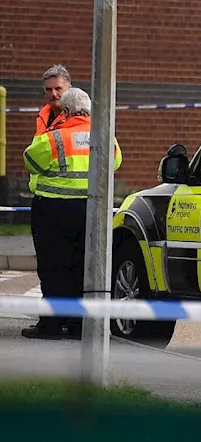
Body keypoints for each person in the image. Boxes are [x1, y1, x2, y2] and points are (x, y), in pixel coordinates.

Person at [21, 87, 122, 340]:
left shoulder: (54, 137)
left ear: (65, 111)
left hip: (53, 211)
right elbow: (116, 162)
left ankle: (52, 325)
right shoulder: (105, 135)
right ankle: (79, 325)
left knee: (53, 268)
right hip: (91, 210)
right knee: (83, 267)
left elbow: (30, 161)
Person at [34, 64, 71, 136]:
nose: (53, 94)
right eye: (49, 90)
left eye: (58, 89)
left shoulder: (77, 118)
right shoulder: (42, 117)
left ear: (69, 89)